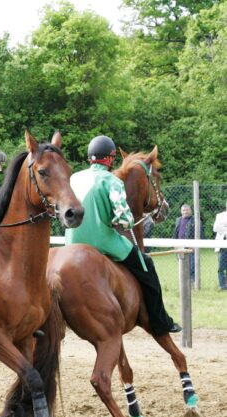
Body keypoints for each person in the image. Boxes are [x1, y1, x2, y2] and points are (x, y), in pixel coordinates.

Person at [65, 135, 181, 336]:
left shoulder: (74, 178)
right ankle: (160, 320)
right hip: (103, 241)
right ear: (110, 159)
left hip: (71, 243)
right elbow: (125, 219)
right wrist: (127, 219)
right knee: (146, 265)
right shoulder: (111, 180)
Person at [173, 204, 204, 283]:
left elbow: (200, 233)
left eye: (187, 210)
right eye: (183, 210)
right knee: (182, 265)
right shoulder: (178, 220)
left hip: (191, 247)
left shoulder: (196, 220)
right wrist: (174, 244)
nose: (185, 212)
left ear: (191, 211)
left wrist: (194, 245)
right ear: (181, 211)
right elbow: (176, 232)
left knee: (192, 266)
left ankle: (193, 282)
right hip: (180, 247)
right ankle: (184, 282)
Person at [214, 201, 227, 290]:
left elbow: (220, 227)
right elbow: (216, 228)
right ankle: (223, 286)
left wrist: (224, 227)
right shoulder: (220, 215)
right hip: (222, 245)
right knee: (221, 267)